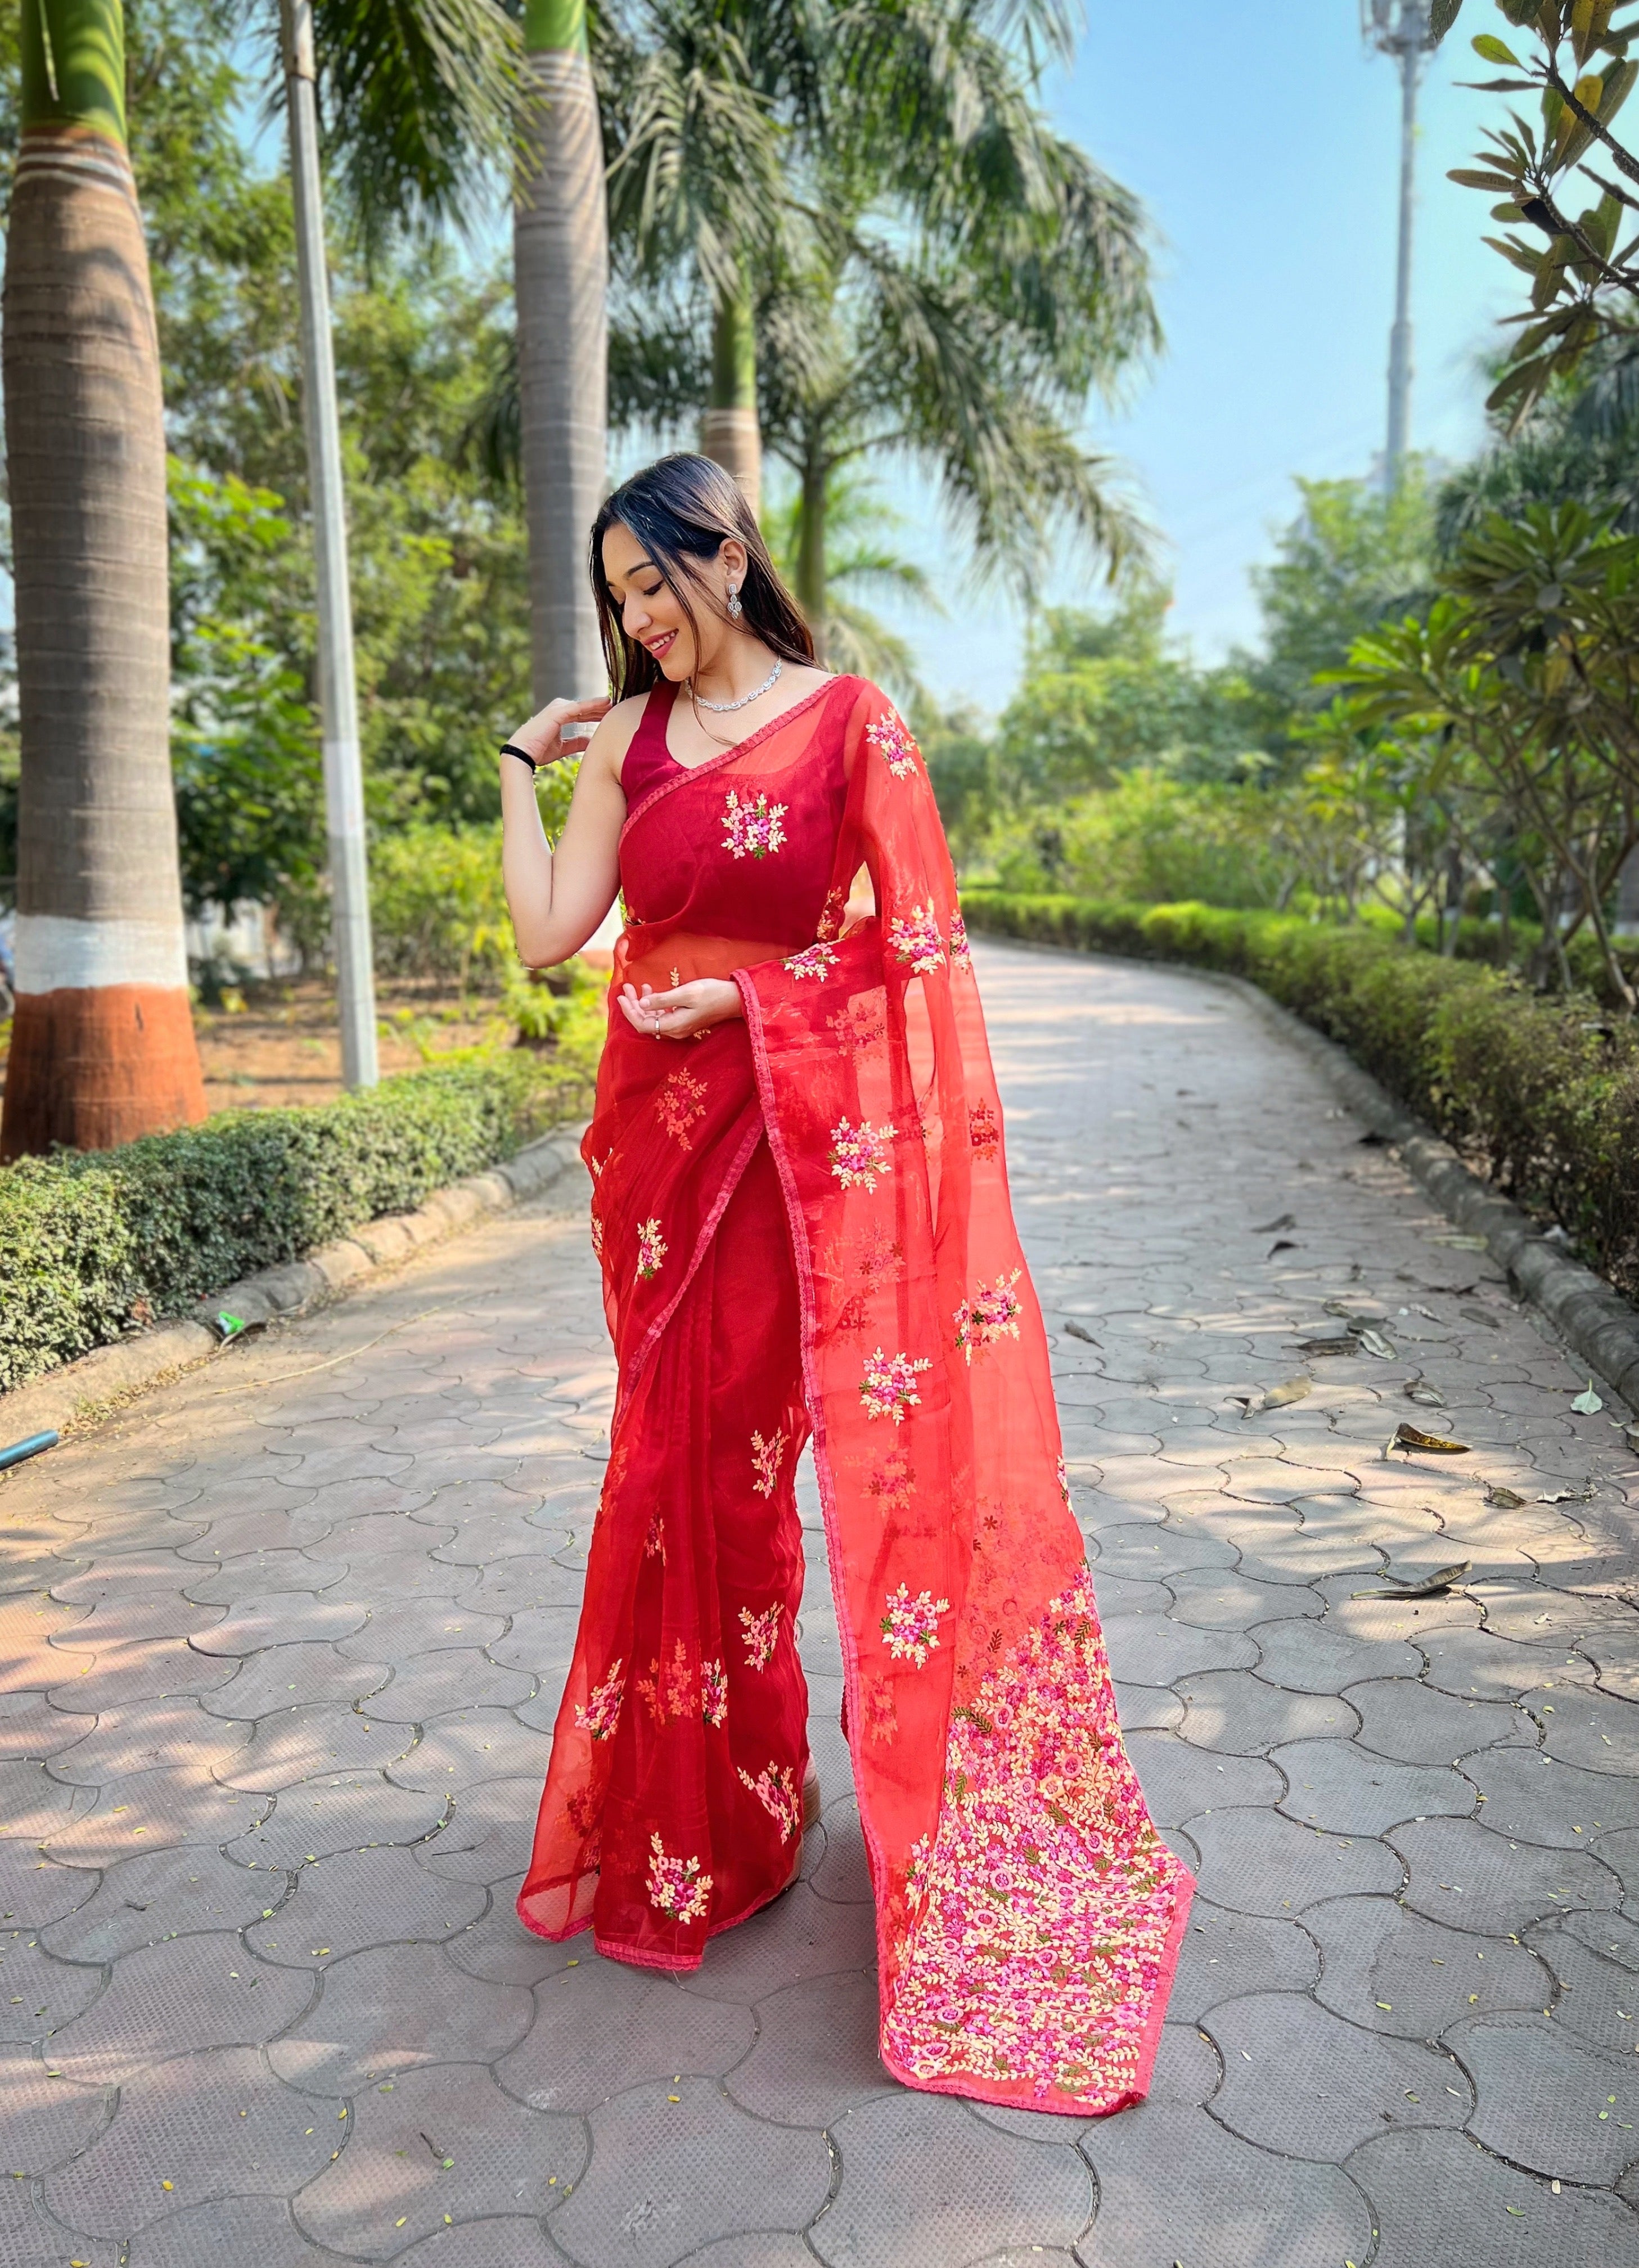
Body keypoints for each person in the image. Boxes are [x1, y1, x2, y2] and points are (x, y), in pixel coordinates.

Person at [499, 452, 1191, 2115]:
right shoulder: (630, 743)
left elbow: (918, 935)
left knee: (785, 1476)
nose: (638, 618)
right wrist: (525, 770)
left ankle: (847, 1805)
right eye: (616, 596)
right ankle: (709, 1826)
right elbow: (549, 936)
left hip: (804, 1156)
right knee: (681, 1481)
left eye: (655, 580)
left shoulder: (849, 721)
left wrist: (749, 1010)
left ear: (729, 554)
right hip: (660, 1165)